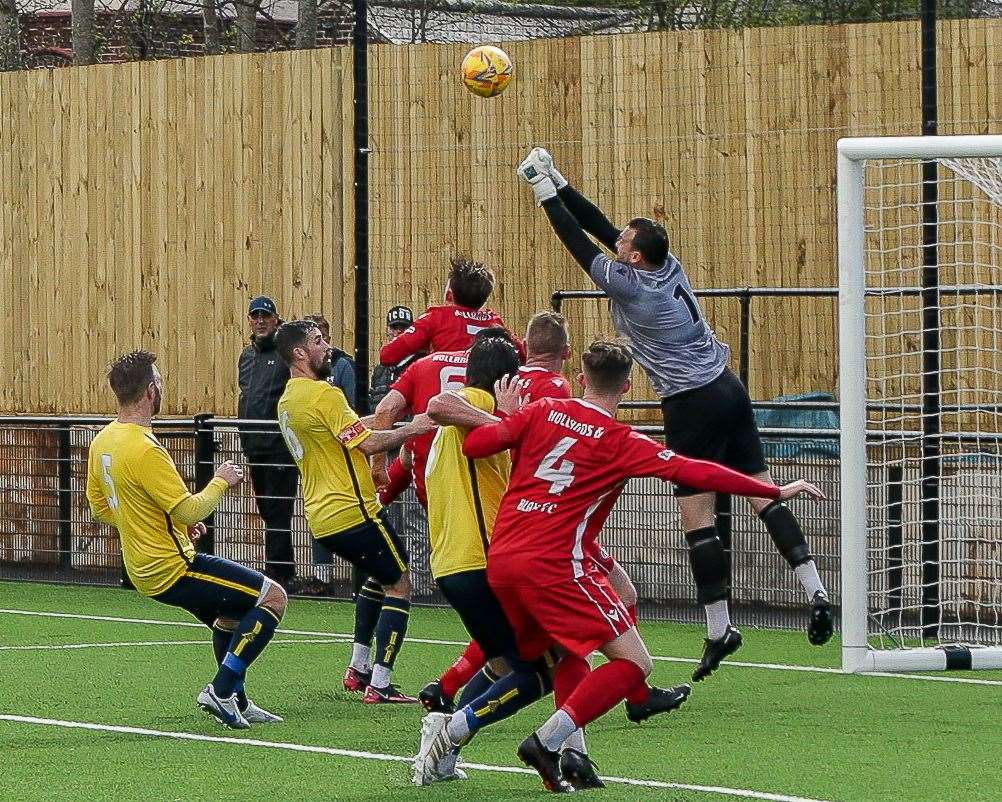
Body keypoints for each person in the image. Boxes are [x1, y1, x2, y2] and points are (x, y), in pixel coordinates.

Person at [414, 341, 825, 790]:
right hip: (554, 565)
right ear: (628, 385)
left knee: (554, 662)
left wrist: (512, 417)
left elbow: (478, 445)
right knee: (634, 662)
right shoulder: (623, 441)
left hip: (504, 559)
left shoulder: (543, 410)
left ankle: (484, 738)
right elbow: (694, 471)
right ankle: (548, 741)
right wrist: (772, 491)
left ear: (584, 380)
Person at [516, 148, 835, 681]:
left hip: (691, 400)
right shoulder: (666, 265)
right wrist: (561, 179)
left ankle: (718, 628)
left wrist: (545, 194)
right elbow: (603, 228)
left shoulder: (629, 286)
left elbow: (579, 243)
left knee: (698, 519)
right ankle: (816, 591)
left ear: (635, 259)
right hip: (729, 386)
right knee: (762, 489)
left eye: (624, 246)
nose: (617, 246)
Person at [419, 313, 692, 737]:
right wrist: (509, 424)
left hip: (482, 550)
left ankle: (456, 710)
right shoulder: (505, 398)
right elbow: (441, 406)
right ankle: (461, 728)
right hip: (508, 547)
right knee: (542, 666)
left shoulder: (471, 411)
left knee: (524, 654)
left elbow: (439, 415)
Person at [86, 350, 285, 730]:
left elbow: (102, 507)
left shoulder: (104, 439)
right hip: (173, 567)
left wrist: (167, 527)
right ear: (150, 391)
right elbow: (191, 510)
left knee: (231, 614)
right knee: (272, 596)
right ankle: (221, 690)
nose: (162, 386)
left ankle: (237, 699)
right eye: (159, 381)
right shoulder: (145, 449)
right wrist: (222, 479)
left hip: (143, 568)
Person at [274, 319, 436, 703]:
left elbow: (344, 431)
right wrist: (417, 427)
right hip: (353, 510)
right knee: (399, 583)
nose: (327, 346)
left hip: (321, 515)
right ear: (299, 353)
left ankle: (358, 668)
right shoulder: (324, 395)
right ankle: (380, 683)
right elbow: (364, 443)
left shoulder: (289, 399)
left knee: (377, 578)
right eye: (318, 341)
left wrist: (384, 421)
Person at [237, 295, 297, 588]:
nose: (260, 320)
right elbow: (246, 395)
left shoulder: (285, 354)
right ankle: (280, 569)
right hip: (255, 445)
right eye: (255, 316)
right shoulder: (247, 357)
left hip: (279, 446)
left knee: (278, 508)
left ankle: (279, 572)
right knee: (266, 507)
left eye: (265, 315)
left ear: (276, 319)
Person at [377, 258, 521, 367]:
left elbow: (387, 355)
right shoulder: (494, 322)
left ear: (449, 296)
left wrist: (426, 349)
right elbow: (524, 354)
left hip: (443, 398)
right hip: (486, 399)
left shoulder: (437, 318)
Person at [369, 305, 420, 412]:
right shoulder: (380, 369)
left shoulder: (420, 365)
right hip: (381, 426)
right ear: (388, 330)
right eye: (394, 327)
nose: (398, 332)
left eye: (403, 328)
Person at [304, 313, 357, 409]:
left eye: (323, 336)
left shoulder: (343, 366)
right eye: (314, 337)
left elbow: (355, 406)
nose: (319, 342)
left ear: (329, 338)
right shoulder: (298, 367)